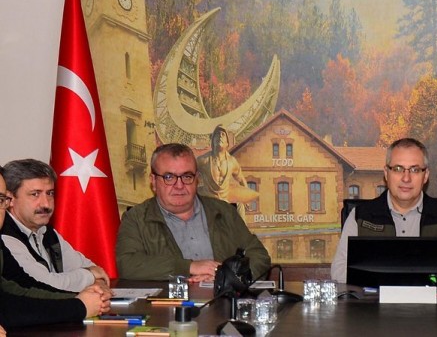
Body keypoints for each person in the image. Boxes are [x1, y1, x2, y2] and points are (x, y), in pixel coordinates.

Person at [116, 143, 271, 282]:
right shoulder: (136, 219)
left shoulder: (224, 212)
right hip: (168, 304)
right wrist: (189, 267)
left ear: (197, 179)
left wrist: (228, 276)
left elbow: (259, 256)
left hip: (223, 300)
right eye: (169, 177)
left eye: (187, 176)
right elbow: (128, 264)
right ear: (153, 181)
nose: (179, 185)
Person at [330, 137, 437, 283]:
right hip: (375, 298)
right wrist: (394, 282)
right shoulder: (360, 217)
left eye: (414, 170)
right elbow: (338, 271)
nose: (406, 178)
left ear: (425, 175)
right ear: (386, 173)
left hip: (434, 298)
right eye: (398, 169)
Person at [0, 166, 110, 329]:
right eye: (35, 194)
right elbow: (9, 308)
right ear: (12, 200)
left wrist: (89, 296)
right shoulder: (6, 235)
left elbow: (24, 287)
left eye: (0, 200)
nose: (45, 204)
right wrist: (80, 305)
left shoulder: (46, 231)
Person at [196, 125, 258, 216]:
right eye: (217, 135)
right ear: (213, 141)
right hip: (209, 201)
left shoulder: (231, 162)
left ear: (227, 143)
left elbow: (241, 179)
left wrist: (247, 198)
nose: (220, 136)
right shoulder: (203, 160)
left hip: (224, 200)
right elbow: (188, 172)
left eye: (223, 134)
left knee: (239, 205)